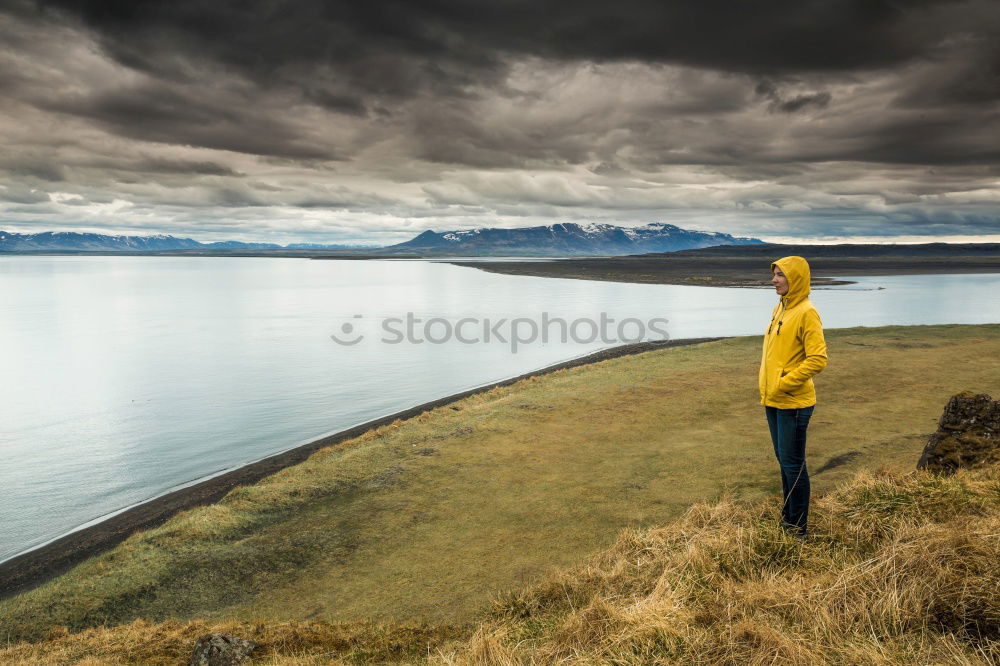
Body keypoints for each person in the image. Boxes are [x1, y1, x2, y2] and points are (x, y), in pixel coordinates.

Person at [759, 255, 828, 538]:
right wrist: (773, 387)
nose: (774, 280)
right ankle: (787, 519)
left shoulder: (806, 312)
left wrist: (785, 382)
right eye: (774, 274)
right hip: (773, 400)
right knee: (784, 462)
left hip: (793, 403)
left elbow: (818, 359)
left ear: (795, 279)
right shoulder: (781, 308)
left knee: (793, 465)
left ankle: (797, 529)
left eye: (780, 275)